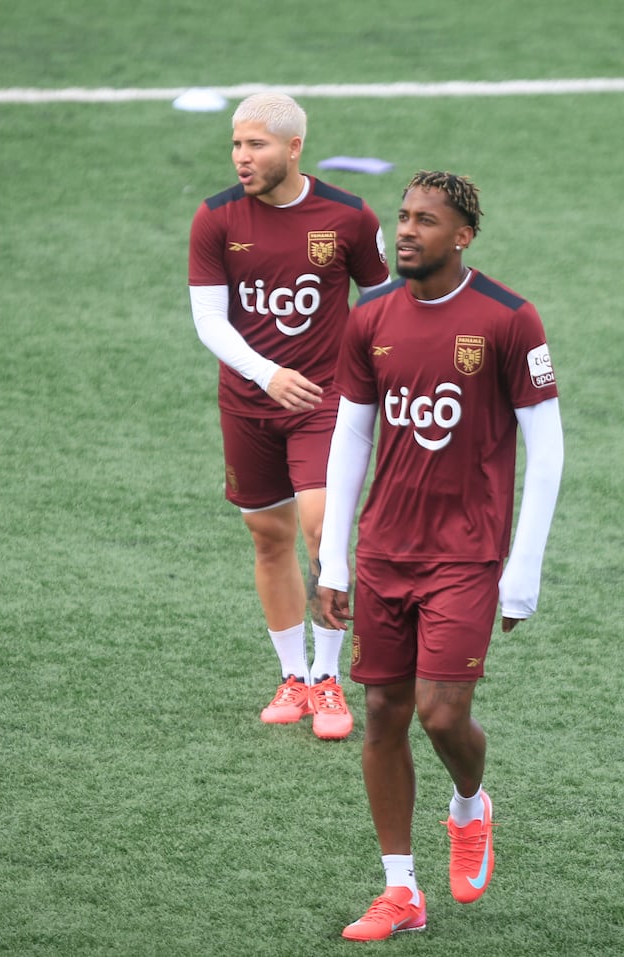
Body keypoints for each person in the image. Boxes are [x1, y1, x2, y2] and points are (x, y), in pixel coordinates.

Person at [317, 171, 564, 940]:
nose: (406, 231)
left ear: (462, 236)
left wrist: (522, 572)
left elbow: (547, 450)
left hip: (466, 556)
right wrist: (332, 557)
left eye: (426, 221)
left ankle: (469, 806)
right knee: (384, 713)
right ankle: (401, 891)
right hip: (385, 549)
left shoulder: (509, 319)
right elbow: (352, 434)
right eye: (402, 218)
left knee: (440, 710)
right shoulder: (371, 318)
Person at [187, 92, 390, 740]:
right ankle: (295, 676)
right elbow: (208, 318)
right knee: (267, 537)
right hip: (249, 402)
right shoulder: (216, 218)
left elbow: (383, 302)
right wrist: (266, 373)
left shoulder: (351, 218)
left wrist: (373, 374)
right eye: (236, 145)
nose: (242, 158)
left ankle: (330, 679)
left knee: (322, 526)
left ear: (294, 147)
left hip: (325, 401)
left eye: (257, 146)